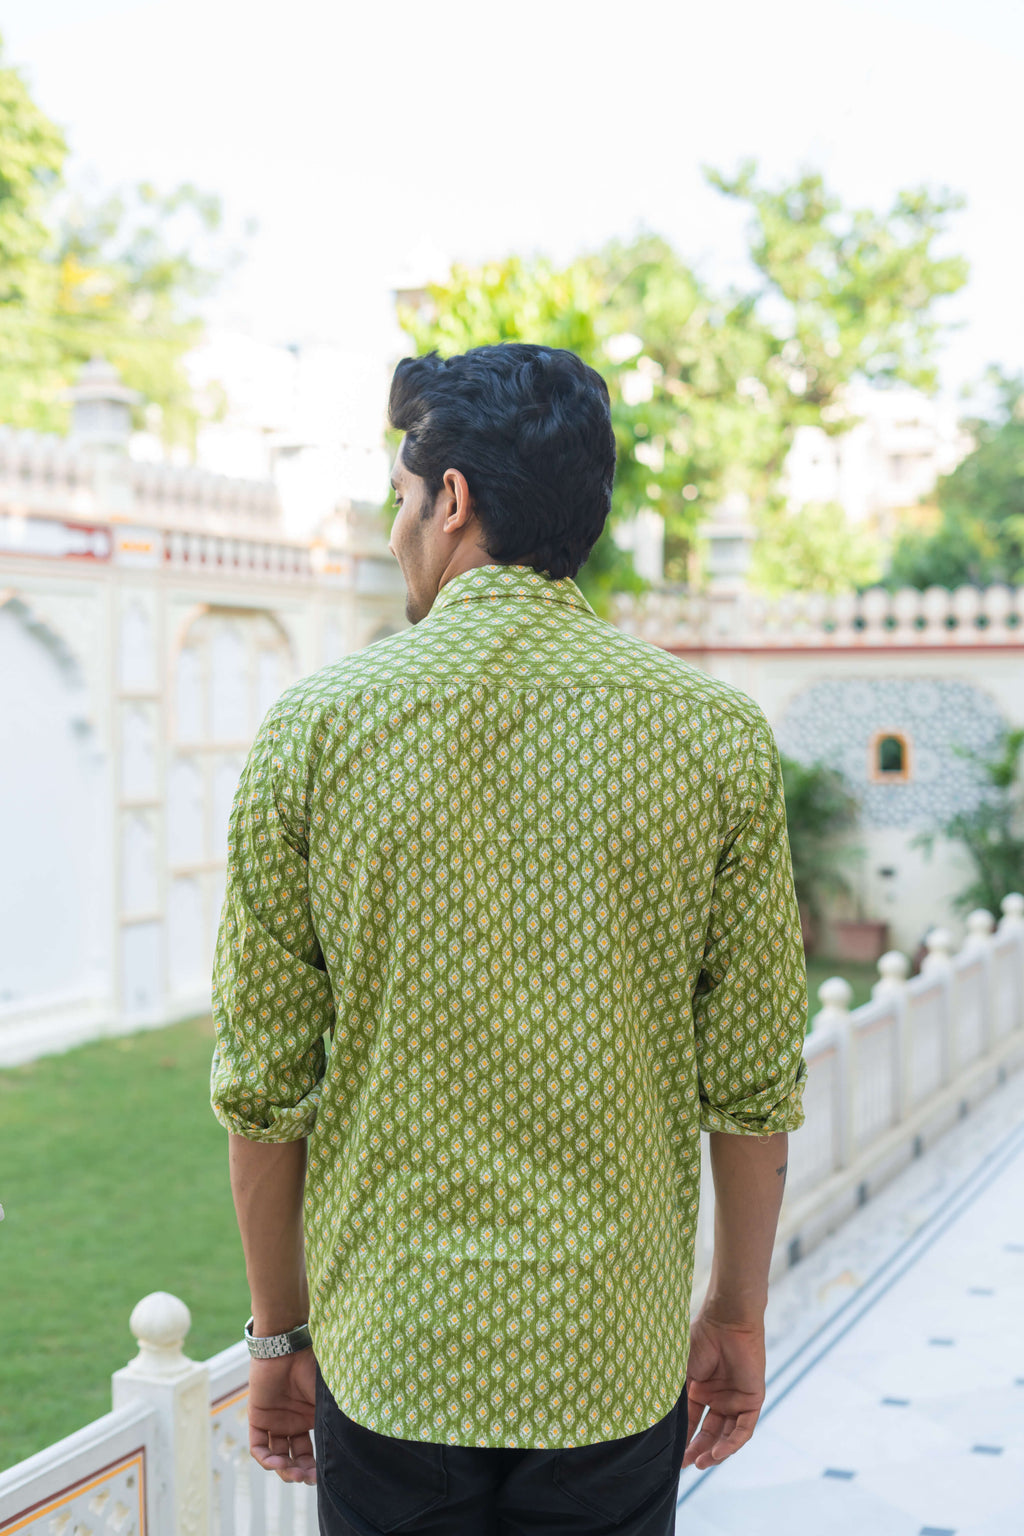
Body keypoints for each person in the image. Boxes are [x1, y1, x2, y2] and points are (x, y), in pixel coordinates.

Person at [210, 342, 808, 1536]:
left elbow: (264, 1085)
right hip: (610, 1351)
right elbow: (752, 1082)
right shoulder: (713, 735)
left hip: (396, 1352)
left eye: (397, 495)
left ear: (451, 498)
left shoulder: (317, 731)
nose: (393, 531)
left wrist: (279, 1334)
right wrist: (733, 1314)